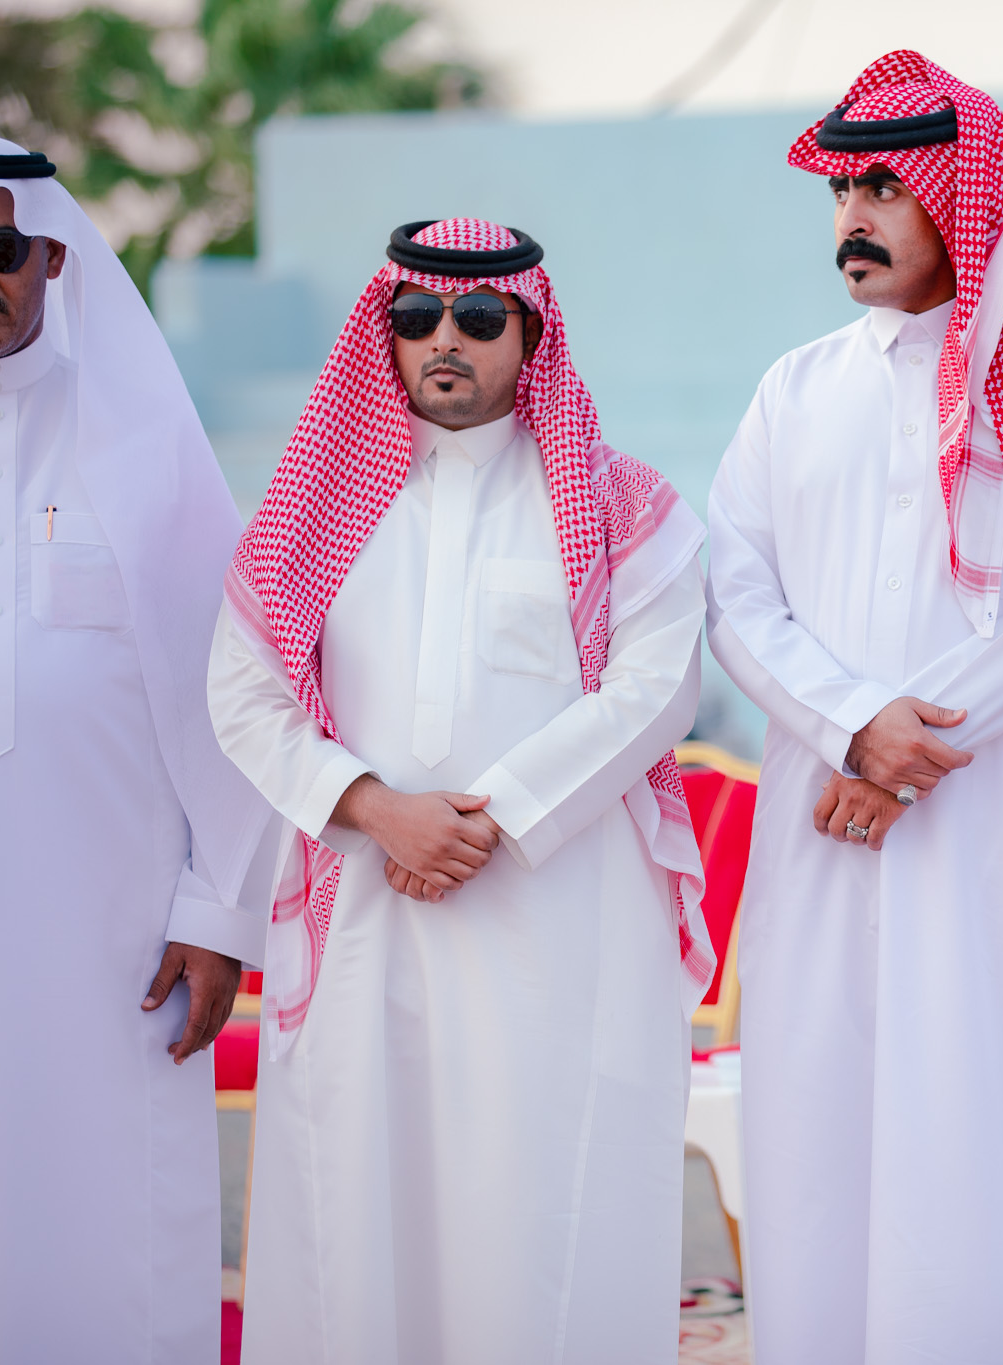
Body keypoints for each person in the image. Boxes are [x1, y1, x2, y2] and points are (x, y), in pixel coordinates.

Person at [208, 218, 713, 1364]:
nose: (446, 338)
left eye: (480, 318)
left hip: (561, 923)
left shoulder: (622, 504)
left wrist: (491, 823)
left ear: (529, 335)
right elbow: (242, 691)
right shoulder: (309, 512)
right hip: (365, 914)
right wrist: (378, 811)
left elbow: (659, 690)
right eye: (417, 315)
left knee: (544, 1214)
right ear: (383, 332)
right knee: (362, 1214)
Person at [707, 50, 1003, 1365]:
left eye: (886, 189)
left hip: (989, 822)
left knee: (980, 1112)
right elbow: (736, 594)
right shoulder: (793, 387)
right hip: (824, 816)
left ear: (961, 197)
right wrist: (851, 728)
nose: (854, 215)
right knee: (820, 1117)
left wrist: (905, 747)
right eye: (842, 191)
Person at [0, 136, 275, 1361]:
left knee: (111, 1236)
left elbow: (231, 694)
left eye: (1, 246)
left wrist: (219, 912)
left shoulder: (136, 441)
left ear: (54, 258)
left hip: (118, 943)